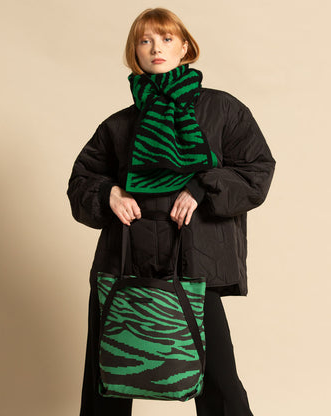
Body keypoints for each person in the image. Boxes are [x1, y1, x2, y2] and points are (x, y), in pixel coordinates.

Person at [67, 7, 275, 416]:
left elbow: (256, 169)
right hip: (124, 261)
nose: (155, 48)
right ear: (135, 52)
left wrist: (201, 187)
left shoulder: (222, 110)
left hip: (195, 260)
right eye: (145, 41)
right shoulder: (118, 125)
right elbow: (81, 182)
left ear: (185, 47)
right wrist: (109, 193)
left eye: (165, 38)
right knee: (107, 381)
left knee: (219, 385)